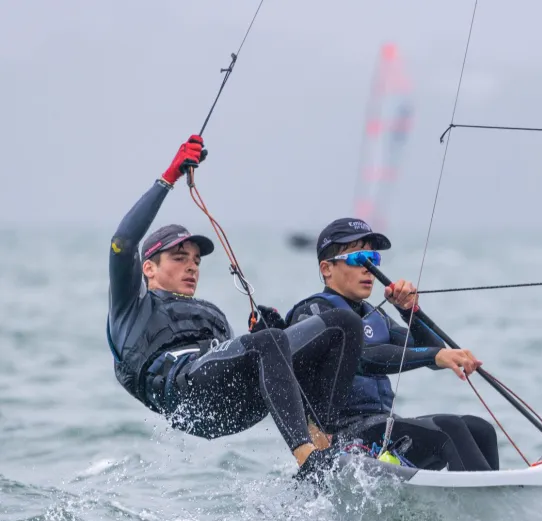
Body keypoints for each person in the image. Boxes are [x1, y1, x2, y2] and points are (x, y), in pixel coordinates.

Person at [106, 135, 364, 479]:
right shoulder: (131, 309)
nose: (192, 266)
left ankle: (326, 441)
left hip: (236, 404)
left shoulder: (210, 313)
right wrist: (168, 178)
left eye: (196, 261)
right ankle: (308, 461)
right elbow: (122, 244)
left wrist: (272, 334)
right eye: (179, 258)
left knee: (343, 324)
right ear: (148, 268)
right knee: (270, 342)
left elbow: (242, 359)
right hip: (187, 399)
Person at [281, 217, 501, 471]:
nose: (368, 269)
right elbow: (363, 357)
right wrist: (435, 355)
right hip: (343, 440)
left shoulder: (376, 316)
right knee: (450, 429)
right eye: (358, 259)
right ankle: (483, 494)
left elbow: (431, 352)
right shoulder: (313, 313)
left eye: (373, 259)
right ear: (327, 269)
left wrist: (410, 312)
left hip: (381, 428)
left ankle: (499, 493)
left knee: (480, 429)